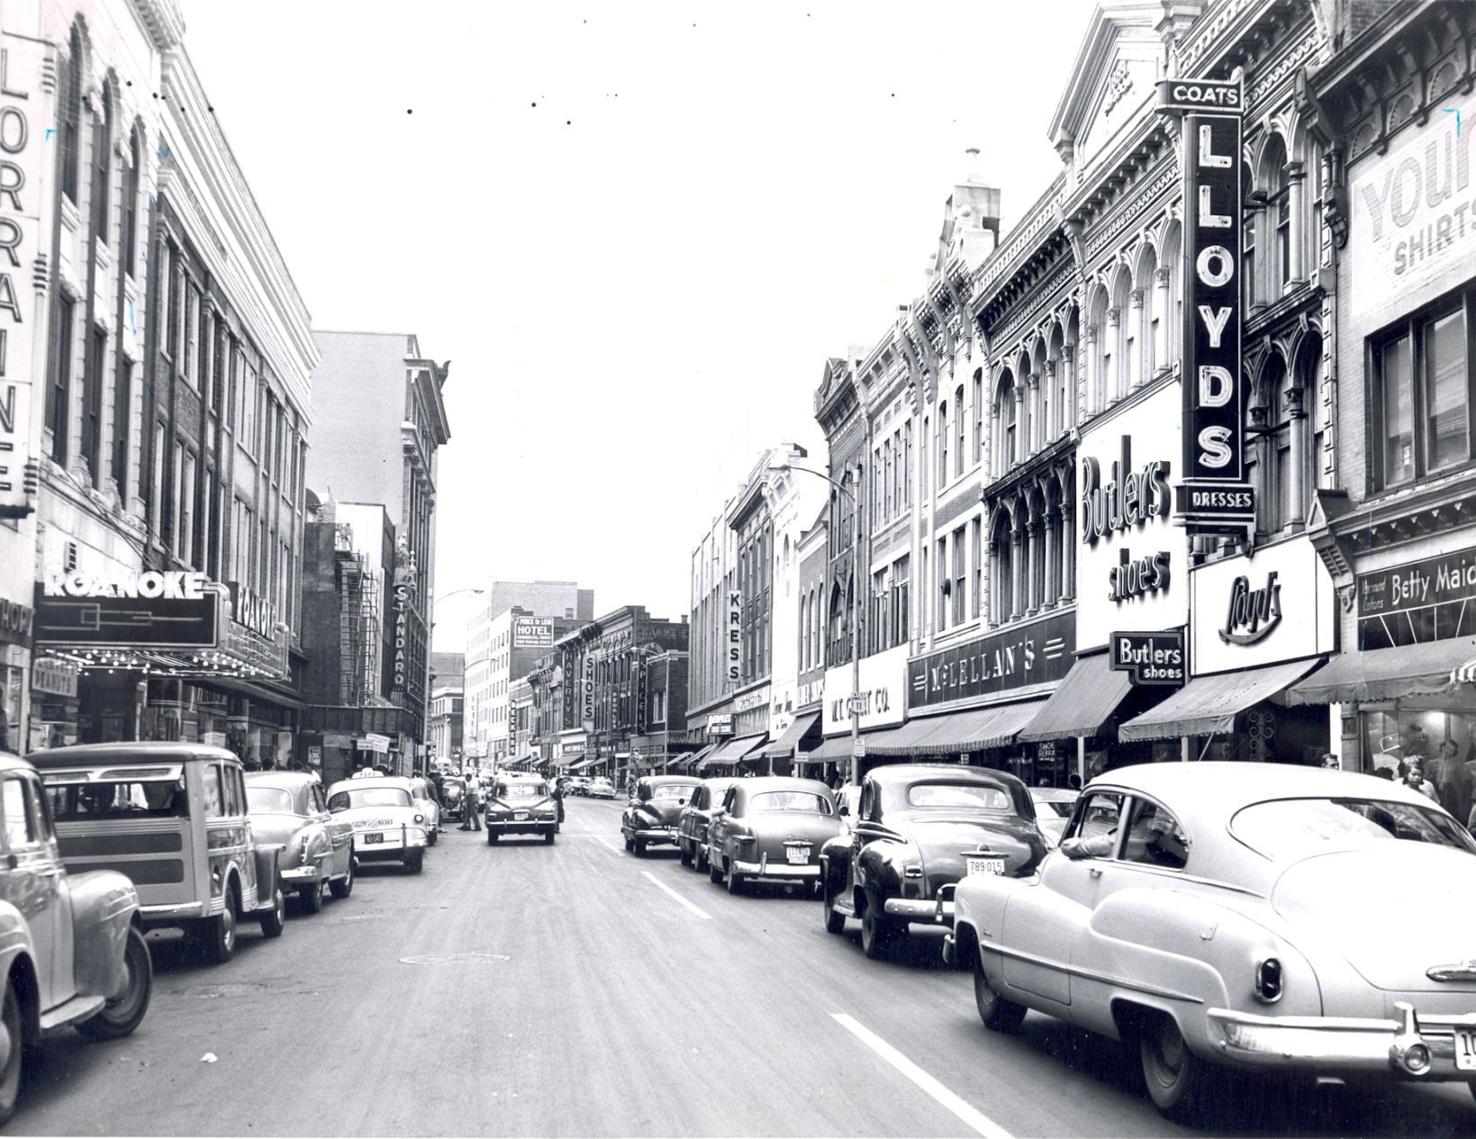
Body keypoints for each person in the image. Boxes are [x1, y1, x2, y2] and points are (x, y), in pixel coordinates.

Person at [1429, 739, 1473, 824]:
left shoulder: (1457, 763)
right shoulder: (1434, 762)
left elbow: (1464, 781)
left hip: (1450, 790)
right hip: (1437, 789)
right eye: (1446, 748)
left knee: (1450, 812)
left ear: (1454, 751)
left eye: (1450, 749)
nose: (1447, 750)